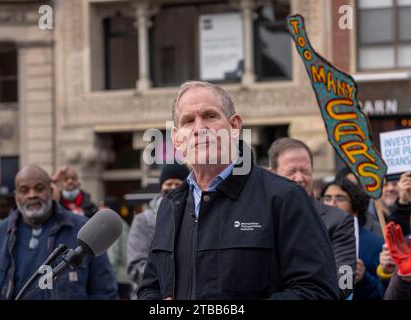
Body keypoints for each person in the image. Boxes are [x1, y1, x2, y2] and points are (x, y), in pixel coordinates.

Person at [138, 81, 338, 300]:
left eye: (210, 116)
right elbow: (150, 288)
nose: (199, 129)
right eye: (188, 121)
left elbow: (318, 291)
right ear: (176, 138)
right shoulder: (170, 206)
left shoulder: (284, 197)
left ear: (234, 126)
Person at [0, 165, 118, 300]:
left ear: (51, 191)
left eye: (39, 188)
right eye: (24, 190)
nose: (32, 195)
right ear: (16, 195)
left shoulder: (83, 230)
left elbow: (104, 292)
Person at [268, 137, 356, 300]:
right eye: (292, 171)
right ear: (273, 174)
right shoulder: (260, 218)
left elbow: (345, 283)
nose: (300, 178)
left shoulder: (338, 220)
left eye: (305, 171)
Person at [127, 163, 189, 298]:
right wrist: (168, 284)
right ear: (161, 187)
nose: (173, 187)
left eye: (178, 183)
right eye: (169, 183)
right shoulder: (143, 220)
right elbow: (136, 265)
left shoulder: (193, 216)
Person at [321, 178, 385, 300]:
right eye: (327, 198)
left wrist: (363, 277)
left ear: (355, 205)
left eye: (340, 198)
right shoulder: (312, 237)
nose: (332, 204)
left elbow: (382, 293)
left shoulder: (375, 244)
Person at [103, 197, 132, 299]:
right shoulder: (122, 223)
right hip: (124, 277)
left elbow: (113, 255)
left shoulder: (113, 225)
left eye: (102, 207)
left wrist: (107, 277)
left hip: (117, 278)